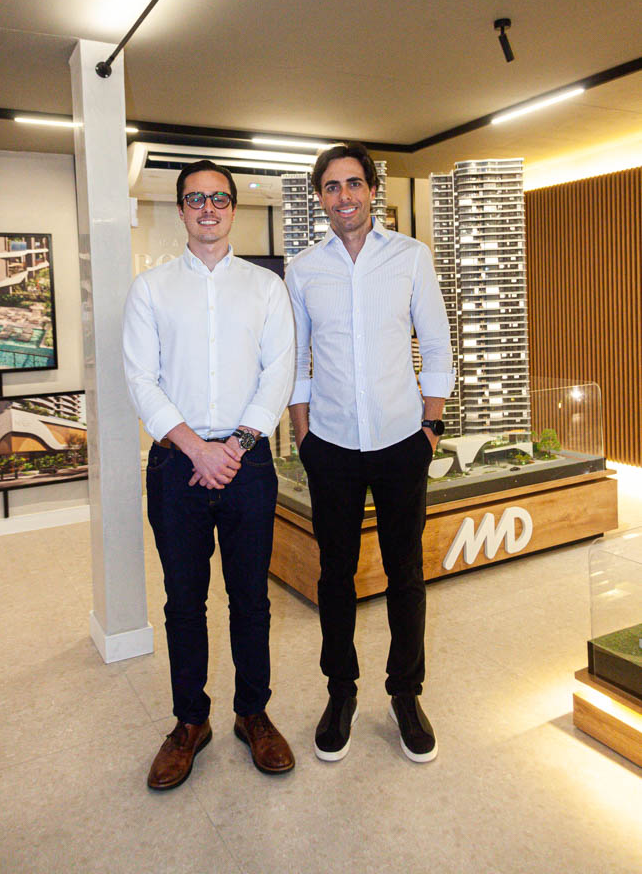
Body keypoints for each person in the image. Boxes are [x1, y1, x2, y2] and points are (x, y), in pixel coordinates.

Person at [123, 159, 296, 789]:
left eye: (218, 198)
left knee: (251, 598)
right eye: (195, 199)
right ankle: (190, 722)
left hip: (248, 465)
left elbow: (278, 372)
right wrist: (198, 449)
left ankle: (253, 713)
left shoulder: (266, 288)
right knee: (184, 601)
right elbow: (141, 379)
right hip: (178, 464)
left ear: (232, 209)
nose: (207, 209)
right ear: (180, 210)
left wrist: (236, 446)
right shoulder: (151, 289)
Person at [285, 142, 454, 764]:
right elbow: (296, 359)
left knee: (406, 573)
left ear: (372, 191)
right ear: (320, 198)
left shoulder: (410, 256)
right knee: (335, 575)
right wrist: (303, 436)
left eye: (353, 183)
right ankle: (341, 692)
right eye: (331, 187)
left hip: (402, 442)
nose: (344, 196)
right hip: (329, 445)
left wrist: (430, 427)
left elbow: (436, 344)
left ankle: (405, 694)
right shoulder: (303, 269)